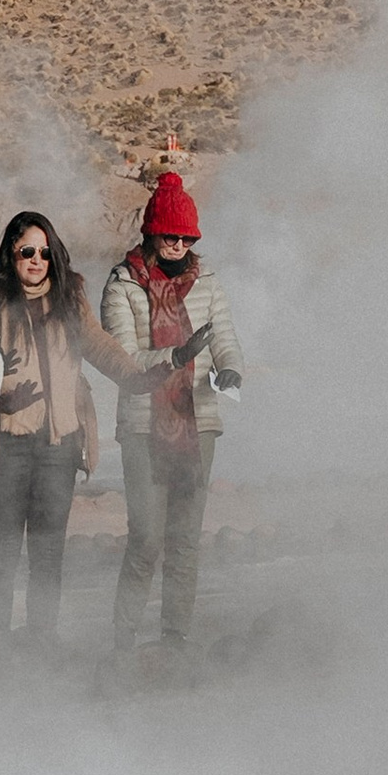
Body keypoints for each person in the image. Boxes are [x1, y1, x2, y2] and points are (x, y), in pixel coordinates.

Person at [0, 210, 200, 667]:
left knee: (48, 551)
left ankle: (41, 644)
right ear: (11, 250)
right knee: (3, 550)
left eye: (45, 252)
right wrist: (0, 398)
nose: (36, 260)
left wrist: (144, 376)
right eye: (27, 251)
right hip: (6, 443)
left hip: (58, 443)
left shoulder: (69, 299)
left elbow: (103, 347)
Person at [101, 164, 244, 658]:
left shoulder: (208, 283)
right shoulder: (123, 285)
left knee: (185, 537)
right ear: (150, 232)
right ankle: (123, 639)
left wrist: (230, 371)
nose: (179, 245)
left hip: (198, 419)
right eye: (170, 235)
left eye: (187, 237)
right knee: (146, 535)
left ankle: (174, 640)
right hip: (143, 425)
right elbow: (122, 360)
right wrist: (177, 357)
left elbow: (225, 340)